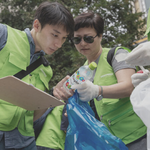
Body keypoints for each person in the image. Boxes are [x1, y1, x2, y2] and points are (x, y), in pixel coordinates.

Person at [66, 11, 147, 150]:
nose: (82, 43)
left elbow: (129, 86)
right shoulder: (82, 72)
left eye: (88, 38)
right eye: (77, 39)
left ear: (100, 36)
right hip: (109, 142)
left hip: (136, 136)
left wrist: (98, 90)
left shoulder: (117, 54)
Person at [0, 1, 74, 150]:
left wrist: (53, 96)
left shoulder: (46, 70)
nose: (58, 44)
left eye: (64, 38)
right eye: (55, 35)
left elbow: (33, 116)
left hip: (23, 141)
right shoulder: (4, 35)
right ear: (37, 25)